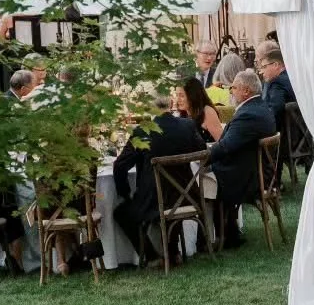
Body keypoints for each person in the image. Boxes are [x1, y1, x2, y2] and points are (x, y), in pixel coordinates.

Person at [112, 93, 206, 265]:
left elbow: (119, 166)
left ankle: (152, 256)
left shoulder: (142, 132)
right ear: (171, 103)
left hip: (153, 201)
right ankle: (172, 251)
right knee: (173, 192)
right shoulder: (187, 126)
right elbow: (202, 151)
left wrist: (125, 194)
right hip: (187, 196)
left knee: (121, 213)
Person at [207, 67, 275, 249]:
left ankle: (223, 237)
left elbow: (227, 145)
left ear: (246, 91)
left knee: (205, 179)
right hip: (258, 170)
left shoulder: (248, 114)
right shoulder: (259, 107)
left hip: (250, 176)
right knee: (211, 175)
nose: (232, 91)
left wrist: (204, 157)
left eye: (234, 88)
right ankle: (230, 233)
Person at [257, 46, 298, 138]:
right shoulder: (294, 78)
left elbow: (275, 110)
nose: (261, 72)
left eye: (264, 67)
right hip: (301, 135)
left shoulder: (277, 82)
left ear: (276, 65)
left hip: (284, 137)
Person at [177, 76, 223, 144]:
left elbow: (222, 142)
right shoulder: (183, 113)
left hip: (207, 153)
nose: (178, 99)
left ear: (192, 95)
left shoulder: (207, 112)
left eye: (181, 96)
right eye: (176, 95)